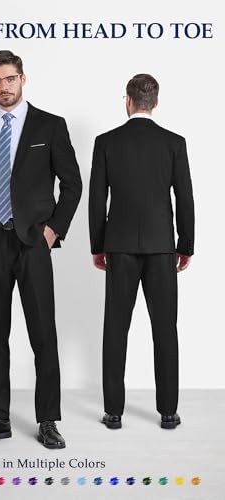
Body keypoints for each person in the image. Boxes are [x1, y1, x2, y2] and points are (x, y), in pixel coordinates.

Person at [0, 50, 82, 448]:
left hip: (34, 242)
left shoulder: (50, 125)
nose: (4, 87)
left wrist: (53, 231)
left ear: (23, 79)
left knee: (43, 333)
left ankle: (47, 420)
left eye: (10, 78)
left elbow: (72, 184)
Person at [89, 74, 194, 430]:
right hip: (162, 247)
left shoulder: (106, 142)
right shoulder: (173, 143)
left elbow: (97, 199)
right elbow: (185, 196)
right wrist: (185, 244)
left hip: (119, 246)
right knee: (165, 329)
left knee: (115, 329)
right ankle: (168, 411)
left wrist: (98, 245)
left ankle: (113, 412)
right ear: (156, 102)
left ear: (128, 100)